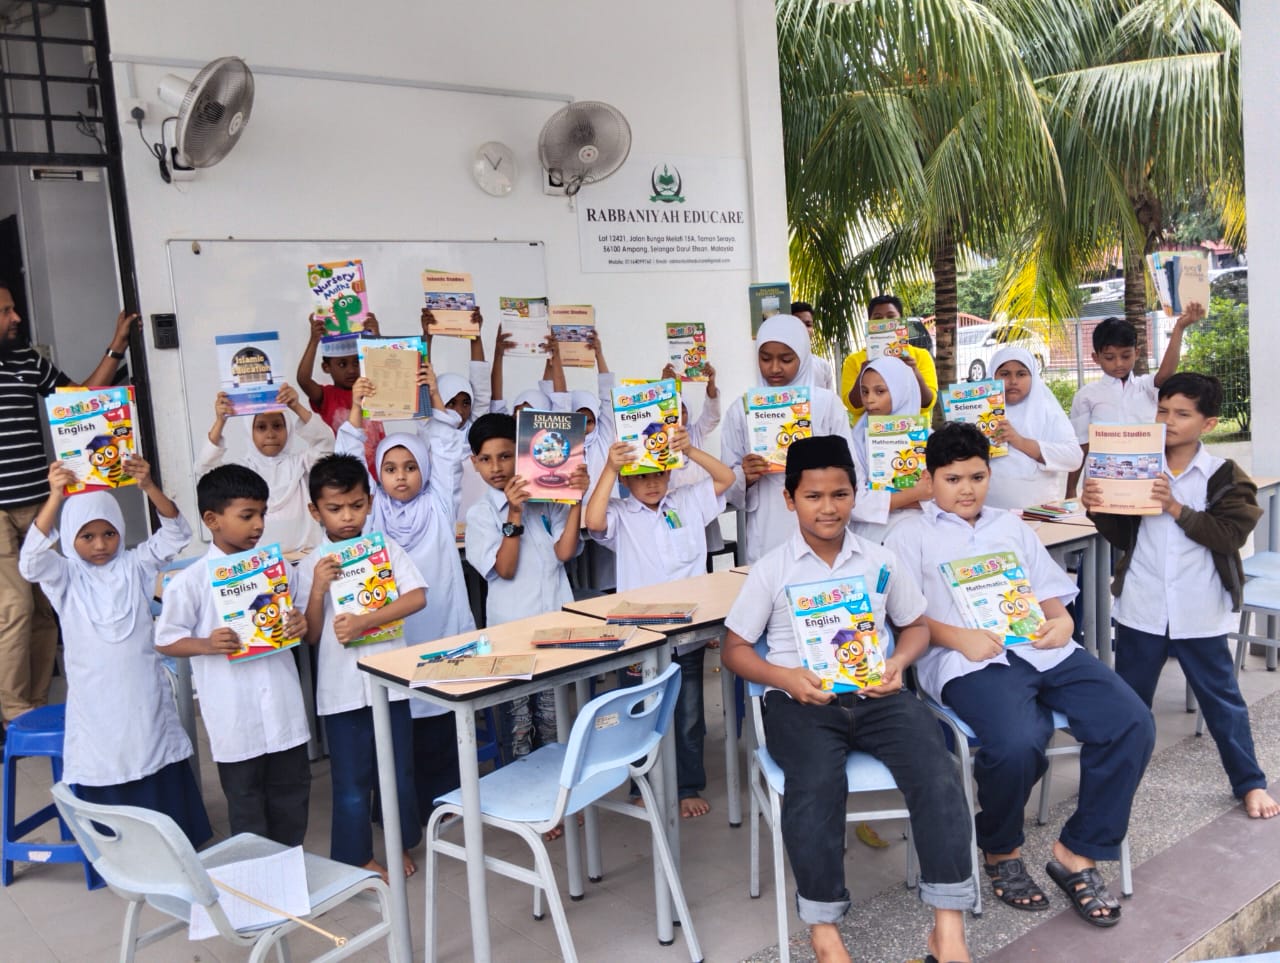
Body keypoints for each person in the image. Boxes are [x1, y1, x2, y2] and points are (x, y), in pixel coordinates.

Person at [886, 423, 1154, 928]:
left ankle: (1078, 852)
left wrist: (1064, 620)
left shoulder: (1010, 526)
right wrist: (958, 637)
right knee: (1016, 742)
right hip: (967, 660)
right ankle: (1000, 847)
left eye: (977, 476)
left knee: (1131, 722)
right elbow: (904, 616)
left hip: (1041, 647)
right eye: (952, 478)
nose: (966, 489)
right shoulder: (908, 535)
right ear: (929, 479)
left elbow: (1045, 588)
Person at [721, 434, 975, 963]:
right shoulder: (772, 569)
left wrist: (898, 664)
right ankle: (824, 930)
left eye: (839, 494)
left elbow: (914, 628)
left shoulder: (879, 560)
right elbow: (734, 649)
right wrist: (784, 677)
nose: (828, 507)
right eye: (813, 496)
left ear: (855, 495)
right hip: (802, 703)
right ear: (789, 500)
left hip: (879, 696)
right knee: (815, 786)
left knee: (938, 771)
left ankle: (947, 929)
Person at [1084, 372, 1280, 821]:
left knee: (1223, 702)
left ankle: (1249, 783)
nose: (1168, 421)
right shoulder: (1135, 461)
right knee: (1129, 704)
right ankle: (1112, 786)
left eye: (1182, 414)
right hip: (1141, 606)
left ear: (1208, 424)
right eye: (1163, 410)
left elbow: (1228, 536)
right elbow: (1121, 534)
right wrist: (1096, 505)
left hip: (1198, 609)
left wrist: (1175, 506)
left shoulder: (1223, 475)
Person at [18, 458, 211, 846]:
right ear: (69, 536)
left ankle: (174, 840)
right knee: (107, 758)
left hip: (142, 693)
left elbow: (177, 534)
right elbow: (31, 561)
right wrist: (56, 496)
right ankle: (120, 847)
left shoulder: (135, 564)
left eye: (108, 533)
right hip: (96, 702)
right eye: (86, 536)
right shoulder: (65, 576)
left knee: (152, 750)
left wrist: (149, 486)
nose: (101, 544)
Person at [338, 368, 473, 825]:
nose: (401, 477)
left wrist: (434, 393)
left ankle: (447, 803)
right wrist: (356, 406)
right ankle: (400, 816)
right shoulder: (371, 511)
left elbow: (448, 449)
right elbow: (348, 463)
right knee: (396, 729)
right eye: (391, 469)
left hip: (441, 630)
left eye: (411, 467)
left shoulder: (438, 505)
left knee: (441, 720)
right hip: (393, 635)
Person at [0, 286, 138, 732]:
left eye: (13, 308)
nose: (16, 317)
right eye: (5, 311)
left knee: (44, 606)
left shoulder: (26, 361)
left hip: (39, 504)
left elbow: (78, 400)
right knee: (16, 607)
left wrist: (115, 348)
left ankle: (36, 705)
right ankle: (15, 715)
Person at [155, 465, 313, 845]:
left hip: (283, 707)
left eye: (262, 513)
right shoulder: (191, 582)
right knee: (246, 802)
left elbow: (303, 615)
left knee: (292, 795)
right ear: (212, 520)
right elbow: (166, 639)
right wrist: (207, 644)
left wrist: (299, 624)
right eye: (247, 516)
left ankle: (290, 871)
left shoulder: (278, 572)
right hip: (234, 715)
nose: (258, 525)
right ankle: (258, 885)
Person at [584, 425, 735, 818]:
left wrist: (691, 450)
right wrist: (610, 471)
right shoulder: (621, 513)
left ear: (670, 472)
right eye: (641, 477)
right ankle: (642, 783)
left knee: (688, 715)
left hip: (687, 634)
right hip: (639, 636)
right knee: (639, 711)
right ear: (627, 480)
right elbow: (594, 522)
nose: (652, 484)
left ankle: (687, 786)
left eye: (659, 474)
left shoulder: (686, 501)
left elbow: (727, 478)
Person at [295, 453, 427, 881]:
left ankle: (398, 839)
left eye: (355, 505)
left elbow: (417, 597)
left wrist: (367, 621)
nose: (347, 517)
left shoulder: (385, 549)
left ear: (369, 502)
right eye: (334, 509)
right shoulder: (311, 564)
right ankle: (356, 855)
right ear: (316, 511)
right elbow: (311, 634)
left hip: (390, 682)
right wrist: (318, 588)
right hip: (342, 690)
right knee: (352, 780)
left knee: (401, 770)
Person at [464, 413, 586, 764]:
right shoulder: (480, 515)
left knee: (553, 719)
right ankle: (525, 801)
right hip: (511, 634)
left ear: (520, 455)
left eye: (504, 456)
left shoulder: (548, 498)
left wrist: (576, 499)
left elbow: (564, 552)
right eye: (485, 459)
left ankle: (551, 800)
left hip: (554, 625)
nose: (496, 467)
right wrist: (514, 515)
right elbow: (505, 567)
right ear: (474, 463)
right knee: (518, 727)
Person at [721, 314, 854, 564]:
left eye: (786, 359)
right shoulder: (741, 410)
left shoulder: (827, 405)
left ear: (803, 357)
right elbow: (725, 482)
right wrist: (745, 476)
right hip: (767, 528)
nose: (774, 368)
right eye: (765, 358)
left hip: (823, 522)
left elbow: (851, 469)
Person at [1065, 304, 1204, 496]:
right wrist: (1071, 488)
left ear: (1136, 353)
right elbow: (1082, 444)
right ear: (1096, 358)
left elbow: (1164, 375)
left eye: (1125, 355)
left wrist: (1179, 328)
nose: (1119, 363)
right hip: (1103, 486)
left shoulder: (1146, 386)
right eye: (1110, 357)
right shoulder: (1087, 395)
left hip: (1146, 481)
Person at [197, 382, 335, 554]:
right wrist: (220, 421)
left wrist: (296, 406)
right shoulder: (242, 472)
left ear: (288, 429)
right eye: (261, 427)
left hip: (306, 557)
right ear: (250, 432)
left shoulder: (303, 464)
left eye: (277, 426)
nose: (270, 434)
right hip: (261, 564)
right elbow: (205, 468)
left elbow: (326, 442)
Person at [985, 346, 1082, 510]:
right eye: (1004, 374)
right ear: (992, 376)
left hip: (1037, 513)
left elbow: (1074, 457)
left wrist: (1020, 441)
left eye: (1021, 374)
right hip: (986, 512)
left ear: (1033, 377)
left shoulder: (1046, 410)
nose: (1013, 381)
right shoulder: (978, 413)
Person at [849, 355, 932, 540]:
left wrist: (883, 500)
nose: (869, 400)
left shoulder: (930, 438)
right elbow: (854, 503)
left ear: (901, 391)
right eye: (864, 391)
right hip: (872, 537)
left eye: (880, 391)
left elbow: (942, 495)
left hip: (922, 533)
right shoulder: (855, 440)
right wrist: (914, 495)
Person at [663, 360, 725, 557]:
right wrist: (664, 388)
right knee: (680, 552)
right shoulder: (659, 438)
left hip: (701, 502)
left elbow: (712, 415)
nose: (679, 415)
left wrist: (711, 384)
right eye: (674, 410)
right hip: (672, 506)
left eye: (683, 410)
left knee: (704, 553)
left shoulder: (696, 432)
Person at [840, 295, 937, 421]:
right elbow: (853, 406)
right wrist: (863, 374)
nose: (885, 322)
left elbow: (927, 404)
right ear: (870, 323)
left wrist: (915, 372)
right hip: (872, 436)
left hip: (912, 434)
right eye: (878, 318)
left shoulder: (921, 356)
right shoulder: (854, 361)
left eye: (891, 317)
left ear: (902, 321)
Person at [295, 311, 381, 434]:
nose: (351, 370)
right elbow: (303, 380)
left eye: (356, 362)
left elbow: (387, 368)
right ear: (326, 367)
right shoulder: (326, 396)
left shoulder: (370, 388)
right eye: (342, 364)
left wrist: (376, 337)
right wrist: (314, 340)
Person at [790, 301, 836, 393]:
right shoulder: (777, 368)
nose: (804, 329)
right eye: (798, 324)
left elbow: (830, 401)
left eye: (808, 325)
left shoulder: (823, 366)